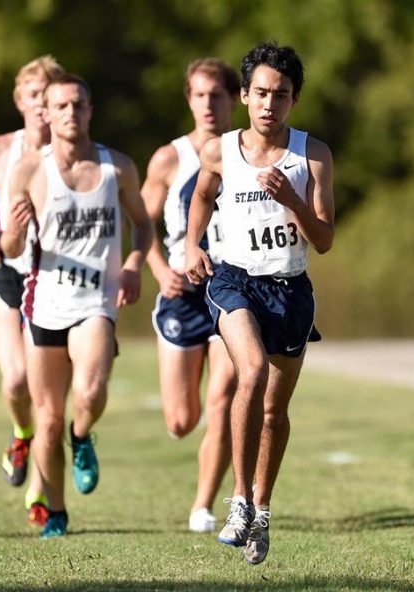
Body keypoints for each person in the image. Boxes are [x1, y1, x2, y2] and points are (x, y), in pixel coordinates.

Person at [184, 42, 335, 565]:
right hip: (234, 280)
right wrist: (189, 244)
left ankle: (262, 510)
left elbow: (324, 239)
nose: (270, 104)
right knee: (248, 373)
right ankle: (239, 500)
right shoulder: (219, 151)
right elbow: (202, 195)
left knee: (274, 410)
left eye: (282, 95)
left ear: (295, 100)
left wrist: (292, 200)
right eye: (262, 93)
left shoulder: (312, 155)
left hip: (290, 290)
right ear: (245, 95)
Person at [2, 73, 153, 537]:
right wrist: (17, 230)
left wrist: (132, 263)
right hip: (46, 301)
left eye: (80, 105)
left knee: (87, 393)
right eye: (62, 105)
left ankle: (83, 435)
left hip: (96, 302)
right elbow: (9, 249)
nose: (72, 113)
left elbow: (143, 225)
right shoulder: (28, 169)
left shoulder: (117, 167)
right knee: (46, 420)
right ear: (45, 113)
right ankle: (57, 511)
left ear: (91, 111)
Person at [0, 55, 64, 524]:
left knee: (49, 397)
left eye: (49, 97)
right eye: (34, 97)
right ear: (20, 102)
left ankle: (40, 494)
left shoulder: (71, 152)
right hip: (10, 273)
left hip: (57, 279)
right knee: (15, 381)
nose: (43, 106)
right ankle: (20, 434)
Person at [142, 58, 239, 533]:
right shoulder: (169, 159)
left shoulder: (247, 152)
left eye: (216, 95)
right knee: (182, 420)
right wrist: (160, 269)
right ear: (189, 99)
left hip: (230, 289)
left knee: (223, 396)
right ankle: (195, 441)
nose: (208, 104)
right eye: (199, 95)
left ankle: (202, 505)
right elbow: (140, 225)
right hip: (181, 293)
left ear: (232, 99)